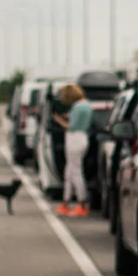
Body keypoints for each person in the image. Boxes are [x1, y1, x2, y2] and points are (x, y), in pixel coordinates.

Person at [53, 84, 92, 217]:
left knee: (75, 172)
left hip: (74, 139)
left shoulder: (77, 107)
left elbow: (72, 126)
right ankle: (66, 201)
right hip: (82, 137)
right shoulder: (86, 105)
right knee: (69, 171)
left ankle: (82, 203)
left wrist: (59, 120)